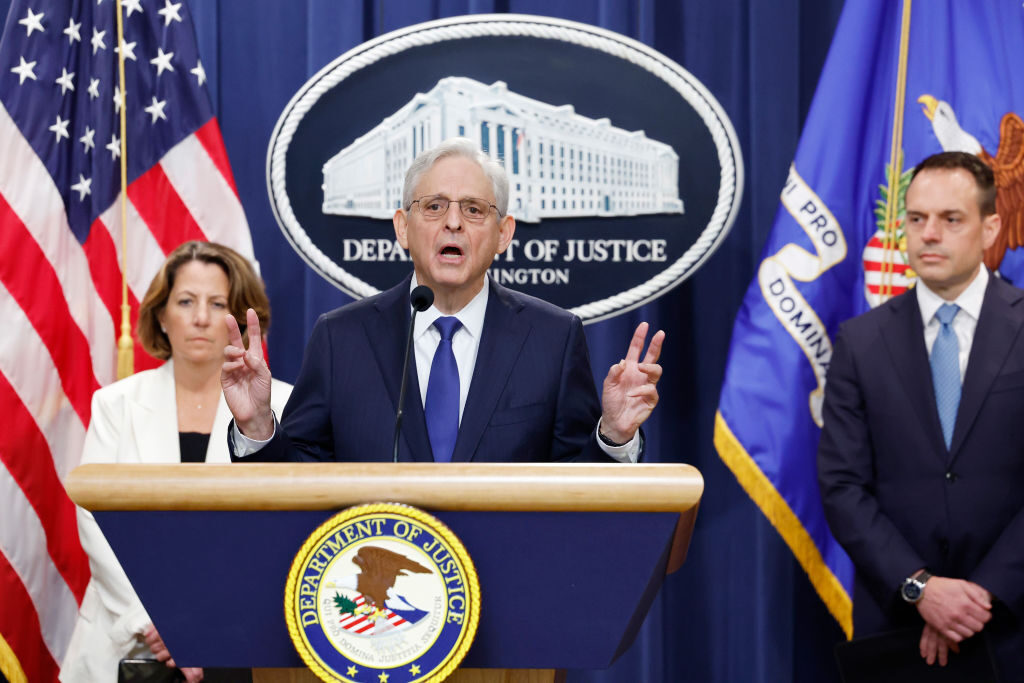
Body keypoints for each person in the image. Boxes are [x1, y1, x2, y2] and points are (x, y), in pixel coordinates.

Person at [223, 137, 664, 465]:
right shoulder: (342, 338)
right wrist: (258, 428)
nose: (453, 222)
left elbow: (579, 486)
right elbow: (298, 481)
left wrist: (613, 434)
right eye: (433, 207)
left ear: (503, 234)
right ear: (402, 227)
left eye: (474, 210)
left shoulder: (552, 337)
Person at [818, 151, 1024, 679]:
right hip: (898, 626)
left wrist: (980, 595)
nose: (928, 234)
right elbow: (842, 486)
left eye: (950, 219)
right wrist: (921, 588)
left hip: (1013, 622)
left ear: (989, 227)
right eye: (916, 219)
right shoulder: (861, 342)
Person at [61, 241, 293, 683]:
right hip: (130, 638)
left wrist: (206, 622)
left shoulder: (282, 403)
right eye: (186, 301)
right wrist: (156, 618)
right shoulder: (116, 404)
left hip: (242, 640)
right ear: (162, 315)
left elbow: (275, 531)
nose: (201, 317)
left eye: (217, 303)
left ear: (239, 316)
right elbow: (94, 518)